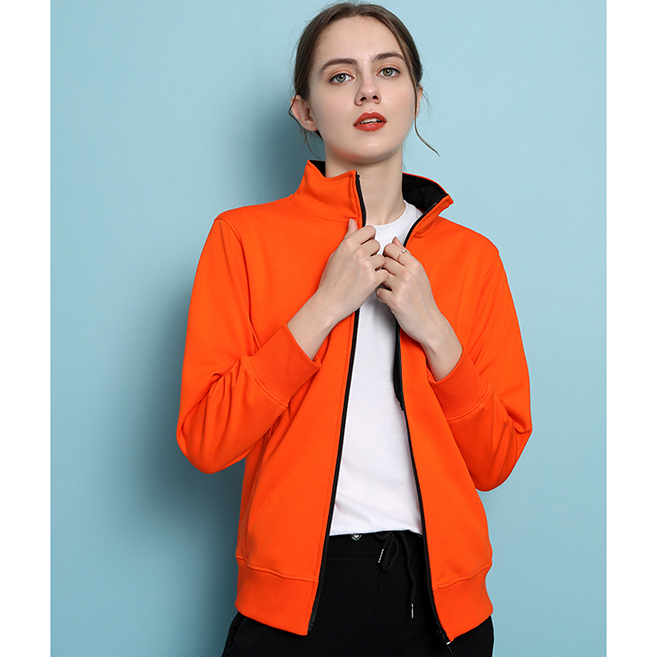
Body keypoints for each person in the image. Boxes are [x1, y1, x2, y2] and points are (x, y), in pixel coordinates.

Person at [177, 3, 532, 655]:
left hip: (439, 609)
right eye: (340, 76)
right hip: (293, 606)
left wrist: (435, 332)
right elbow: (206, 438)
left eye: (387, 71)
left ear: (415, 95)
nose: (368, 90)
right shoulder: (243, 240)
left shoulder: (472, 259)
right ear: (305, 110)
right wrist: (321, 309)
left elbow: (495, 460)